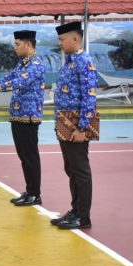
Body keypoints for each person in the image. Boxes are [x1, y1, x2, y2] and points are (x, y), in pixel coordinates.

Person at [0, 30, 46, 206]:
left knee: (30, 155)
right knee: (23, 155)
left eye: (17, 44)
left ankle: (35, 194)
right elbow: (8, 78)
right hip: (17, 114)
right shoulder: (22, 64)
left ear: (28, 45)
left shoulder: (36, 63)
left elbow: (18, 82)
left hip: (29, 115)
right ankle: (29, 191)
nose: (15, 48)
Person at [51, 21, 98, 230]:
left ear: (75, 39)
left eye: (62, 39)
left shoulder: (84, 61)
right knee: (71, 168)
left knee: (80, 170)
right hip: (65, 122)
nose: (60, 43)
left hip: (76, 124)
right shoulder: (70, 62)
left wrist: (82, 127)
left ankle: (83, 216)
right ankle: (75, 210)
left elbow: (89, 97)